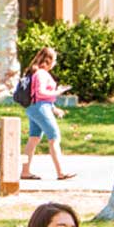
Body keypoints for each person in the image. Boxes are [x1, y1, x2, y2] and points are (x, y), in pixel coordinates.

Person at [21, 47, 75, 181]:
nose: (55, 63)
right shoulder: (41, 74)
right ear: (48, 60)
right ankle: (61, 172)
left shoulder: (36, 73)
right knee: (54, 137)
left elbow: (40, 97)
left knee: (33, 139)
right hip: (40, 109)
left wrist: (54, 108)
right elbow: (41, 93)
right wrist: (58, 92)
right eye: (54, 60)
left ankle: (25, 171)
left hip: (34, 108)